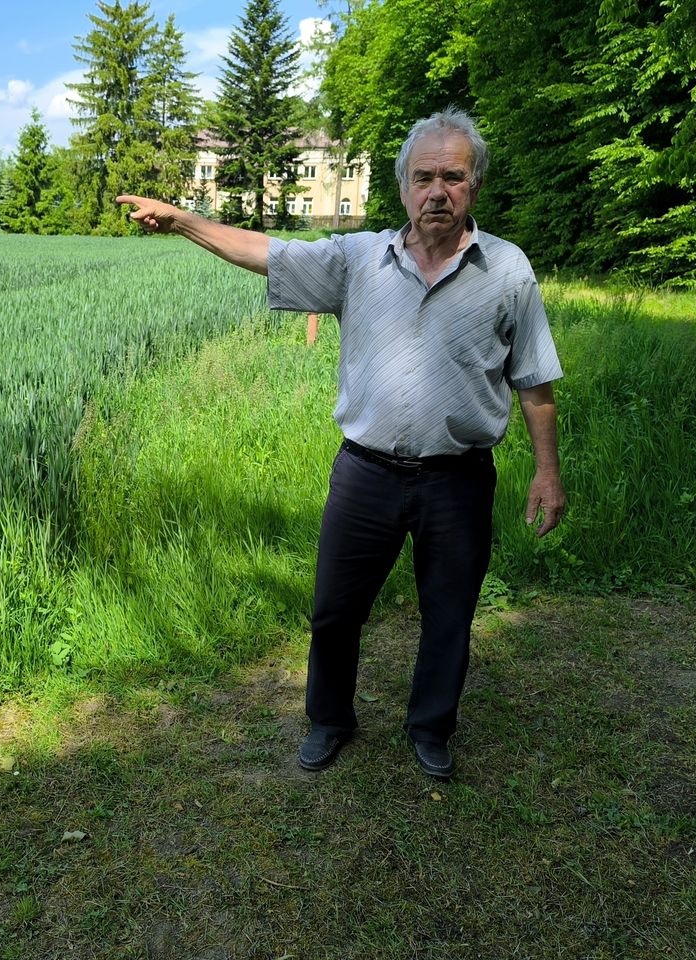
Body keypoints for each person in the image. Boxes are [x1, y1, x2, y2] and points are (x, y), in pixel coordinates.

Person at [117, 107, 565, 779]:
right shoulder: (359, 260)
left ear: (474, 186)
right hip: (366, 475)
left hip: (459, 479)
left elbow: (534, 381)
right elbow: (265, 252)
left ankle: (431, 726)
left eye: (453, 176)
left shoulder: (508, 271)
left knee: (450, 615)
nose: (436, 191)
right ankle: (329, 720)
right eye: (423, 177)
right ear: (403, 186)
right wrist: (183, 219)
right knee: (334, 611)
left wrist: (546, 473)